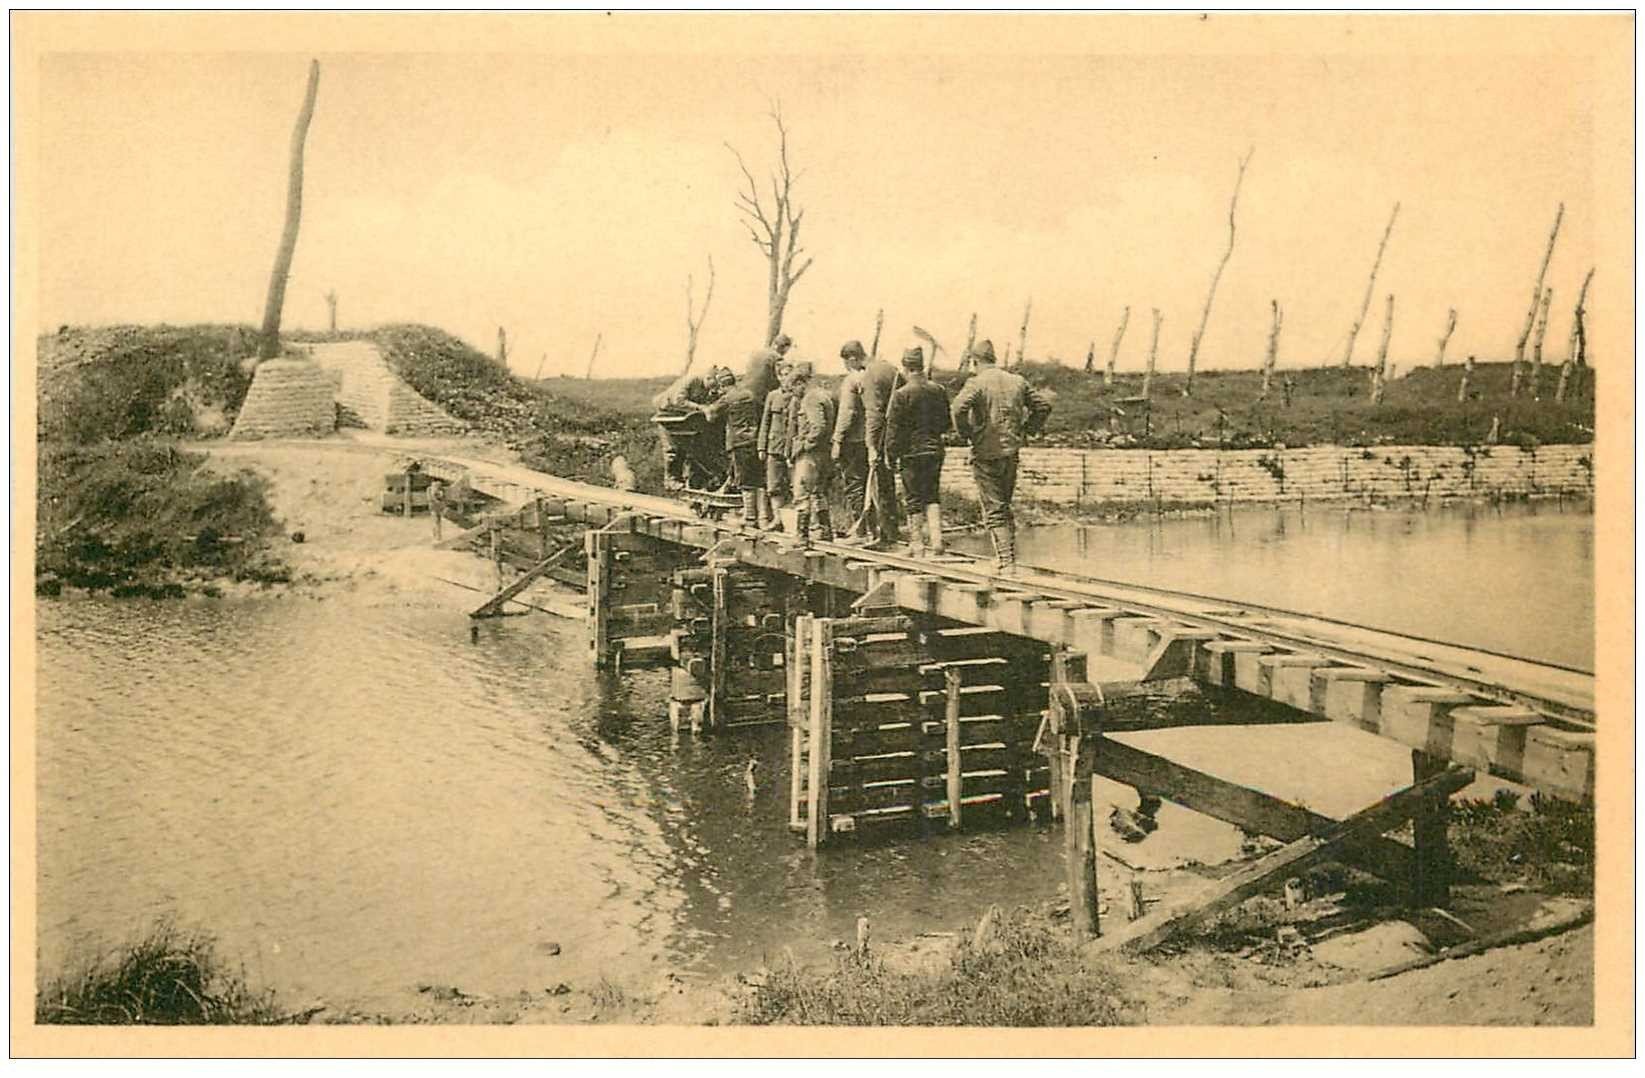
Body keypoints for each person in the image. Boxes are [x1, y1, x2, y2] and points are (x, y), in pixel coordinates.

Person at [950, 338, 1052, 570]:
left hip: (985, 452)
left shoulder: (976, 383)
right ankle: (1009, 558)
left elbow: (957, 408)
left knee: (995, 508)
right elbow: (1043, 406)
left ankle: (1007, 562)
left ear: (975, 361)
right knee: (1004, 504)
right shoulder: (1018, 381)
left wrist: (968, 434)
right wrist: (1028, 430)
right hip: (1011, 451)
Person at [832, 340, 902, 546]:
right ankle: (888, 532)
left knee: (855, 484)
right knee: (882, 484)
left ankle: (862, 531)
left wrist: (837, 439)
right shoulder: (887, 370)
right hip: (880, 437)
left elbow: (847, 412)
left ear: (852, 358)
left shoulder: (854, 379)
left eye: (846, 362)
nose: (846, 367)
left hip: (856, 440)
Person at [884, 345, 951, 555]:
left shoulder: (901, 394)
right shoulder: (938, 390)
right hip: (934, 451)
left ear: (905, 367)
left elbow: (893, 429)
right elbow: (946, 424)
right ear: (921, 366)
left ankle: (917, 543)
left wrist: (891, 453)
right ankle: (937, 541)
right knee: (932, 495)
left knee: (913, 497)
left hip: (911, 453)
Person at [695, 368, 761, 520]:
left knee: (745, 480)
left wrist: (707, 408)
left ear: (721, 386)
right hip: (754, 440)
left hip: (738, 441)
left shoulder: (726, 399)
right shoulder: (749, 394)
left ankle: (750, 517)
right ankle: (761, 515)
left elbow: (711, 416)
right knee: (756, 478)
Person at [786, 360, 838, 548]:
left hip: (811, 454)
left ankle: (802, 536)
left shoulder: (810, 398)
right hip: (823, 452)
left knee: (802, 492)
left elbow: (819, 425)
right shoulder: (824, 395)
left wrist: (805, 445)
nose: (793, 394)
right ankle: (825, 532)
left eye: (793, 389)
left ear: (800, 383)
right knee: (818, 493)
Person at [756, 361, 795, 531]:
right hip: (774, 446)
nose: (787, 378)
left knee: (795, 485)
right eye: (784, 374)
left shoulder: (798, 396)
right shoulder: (772, 396)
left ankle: (794, 523)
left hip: (793, 447)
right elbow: (765, 422)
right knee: (774, 485)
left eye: (790, 374)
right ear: (779, 377)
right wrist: (761, 446)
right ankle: (778, 519)